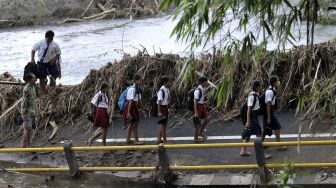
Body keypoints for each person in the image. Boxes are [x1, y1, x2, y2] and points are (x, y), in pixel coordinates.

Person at [261, 75, 287, 151]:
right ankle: (278, 146)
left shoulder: (272, 89)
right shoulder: (270, 91)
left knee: (265, 129)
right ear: (274, 82)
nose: (278, 82)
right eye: (277, 81)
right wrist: (269, 116)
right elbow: (268, 104)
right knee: (277, 127)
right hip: (268, 112)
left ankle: (261, 144)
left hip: (269, 112)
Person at [240, 80, 262, 156]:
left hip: (254, 116)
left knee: (248, 134)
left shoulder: (255, 95)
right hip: (252, 117)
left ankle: (243, 151)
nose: (260, 87)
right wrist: (248, 121)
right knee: (258, 134)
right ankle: (260, 153)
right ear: (256, 87)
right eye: (259, 86)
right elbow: (249, 110)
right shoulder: (252, 96)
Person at [122, 74, 144, 145]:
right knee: (135, 123)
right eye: (140, 80)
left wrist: (143, 108)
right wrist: (128, 112)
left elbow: (139, 100)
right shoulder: (132, 89)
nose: (141, 81)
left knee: (132, 123)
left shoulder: (138, 88)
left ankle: (128, 139)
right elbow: (131, 101)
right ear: (135, 81)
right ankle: (136, 140)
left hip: (134, 106)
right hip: (131, 106)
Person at [21, 73, 37, 148]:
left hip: (32, 111)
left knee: (28, 128)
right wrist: (24, 114)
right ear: (30, 80)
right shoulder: (26, 89)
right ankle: (28, 145)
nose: (35, 79)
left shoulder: (33, 87)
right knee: (27, 129)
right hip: (27, 112)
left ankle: (24, 144)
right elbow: (24, 102)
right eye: (34, 78)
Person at [156, 76, 173, 144]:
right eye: (169, 82)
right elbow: (159, 102)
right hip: (162, 108)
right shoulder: (161, 91)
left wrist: (169, 108)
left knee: (163, 124)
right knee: (163, 125)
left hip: (165, 108)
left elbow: (167, 100)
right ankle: (165, 140)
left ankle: (159, 139)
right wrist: (159, 112)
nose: (170, 83)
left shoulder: (167, 89)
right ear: (165, 82)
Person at [193, 76, 210, 142]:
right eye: (206, 82)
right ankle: (195, 137)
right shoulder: (198, 90)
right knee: (198, 122)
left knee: (207, 119)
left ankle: (200, 132)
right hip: (198, 106)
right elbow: (195, 101)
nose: (207, 83)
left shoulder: (202, 88)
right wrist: (196, 112)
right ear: (203, 82)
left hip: (202, 105)